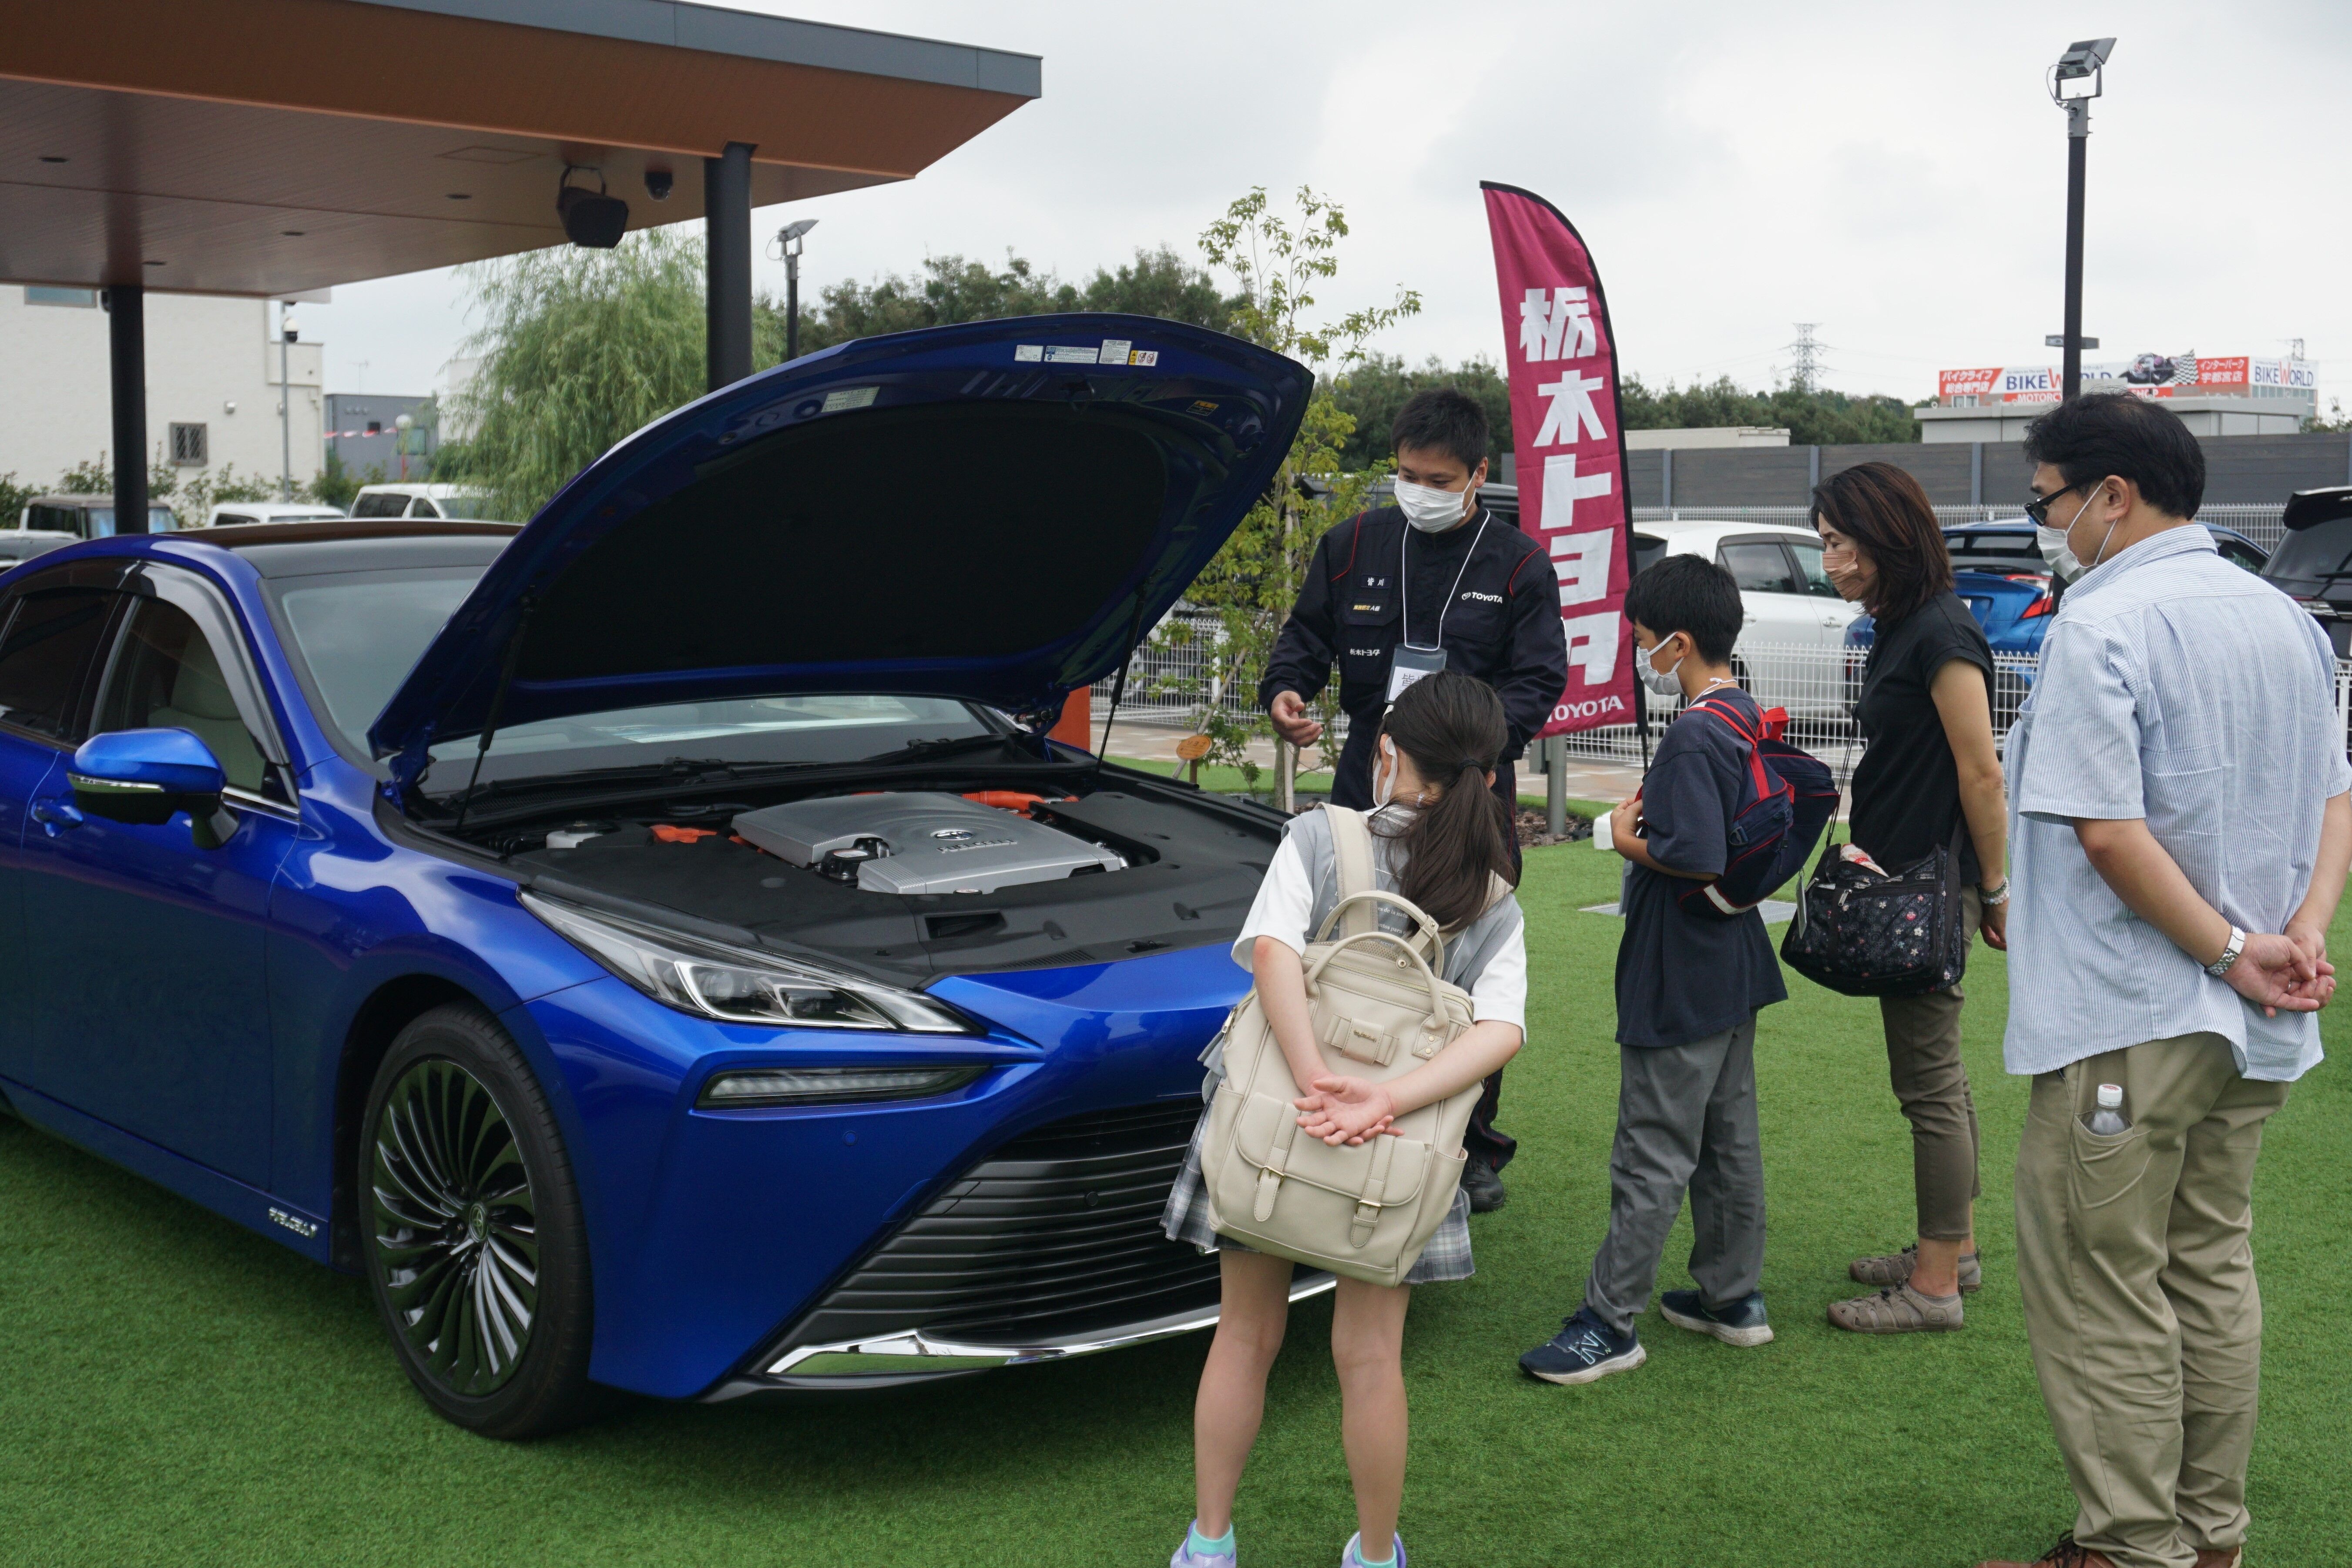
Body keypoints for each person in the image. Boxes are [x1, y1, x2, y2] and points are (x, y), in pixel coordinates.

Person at [1977, 394, 2349, 1568]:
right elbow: (2334, 793)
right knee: (2205, 1258)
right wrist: (2294, 931)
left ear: (2109, 495)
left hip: (2135, 1007)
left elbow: (2105, 830)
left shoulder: (2102, 623)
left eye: (2045, 500)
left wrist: (2234, 948)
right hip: (2245, 1011)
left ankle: (2133, 1544)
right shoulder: (2283, 617)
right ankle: (2204, 1535)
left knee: (2102, 1275)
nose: (2046, 523)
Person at [1164, 671, 1528, 1568]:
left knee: (1244, 1336)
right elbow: (1503, 1031)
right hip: (1395, 1151)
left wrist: (1319, 1074)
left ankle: (1211, 1541)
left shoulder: (1320, 837)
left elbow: (1274, 958)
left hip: (1274, 1114)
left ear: (1389, 753)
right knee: (1369, 1358)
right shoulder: (1491, 891)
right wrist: (1385, 1098)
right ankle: (1372, 1553)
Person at [1259, 387, 1567, 1213]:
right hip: (1369, 772)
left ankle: (1469, 1144)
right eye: (1406, 474)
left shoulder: (1518, 564)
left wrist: (1474, 748)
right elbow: (1305, 639)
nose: (1419, 489)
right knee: (1344, 953)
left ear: (1477, 474)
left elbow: (1541, 677)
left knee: (1460, 978)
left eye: (1438, 478)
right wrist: (1287, 690)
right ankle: (1333, 1097)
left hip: (1468, 788)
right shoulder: (1352, 540)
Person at [1519, 555, 1783, 1384]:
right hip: (1736, 963)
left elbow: (1693, 856)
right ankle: (1730, 1297)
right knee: (1726, 1139)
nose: (1640, 657)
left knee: (1652, 1149)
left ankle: (1609, 1321)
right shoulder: (1743, 713)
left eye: (1643, 643)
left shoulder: (1694, 732)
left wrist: (1622, 837)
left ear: (1678, 643)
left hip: (1681, 969)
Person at [1811, 461, 2009, 1334]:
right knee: (1937, 1078)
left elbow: (1981, 772)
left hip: (1932, 890)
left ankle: (1933, 1285)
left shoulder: (1942, 632)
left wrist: (1994, 889)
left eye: (1836, 543)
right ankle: (1953, 1247)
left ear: (1883, 539)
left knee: (1927, 1084)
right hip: (1902, 881)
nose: (1830, 561)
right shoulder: (1898, 624)